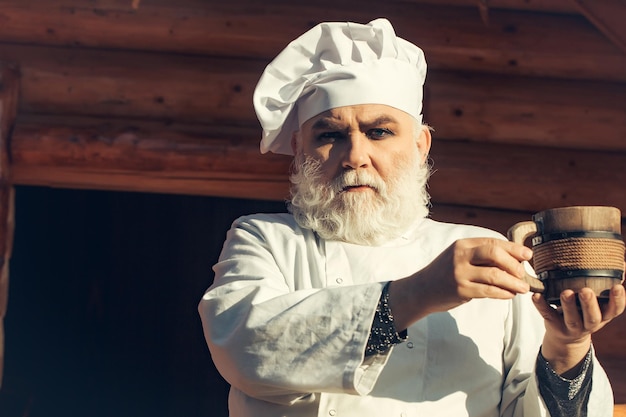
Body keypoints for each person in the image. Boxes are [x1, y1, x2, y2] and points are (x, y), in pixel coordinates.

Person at [198, 18, 624, 417]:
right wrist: (420, 291)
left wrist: (568, 346)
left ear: (420, 145)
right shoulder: (266, 239)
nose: (355, 157)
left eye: (379, 132)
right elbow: (245, 348)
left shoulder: (482, 251)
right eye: (330, 135)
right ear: (299, 149)